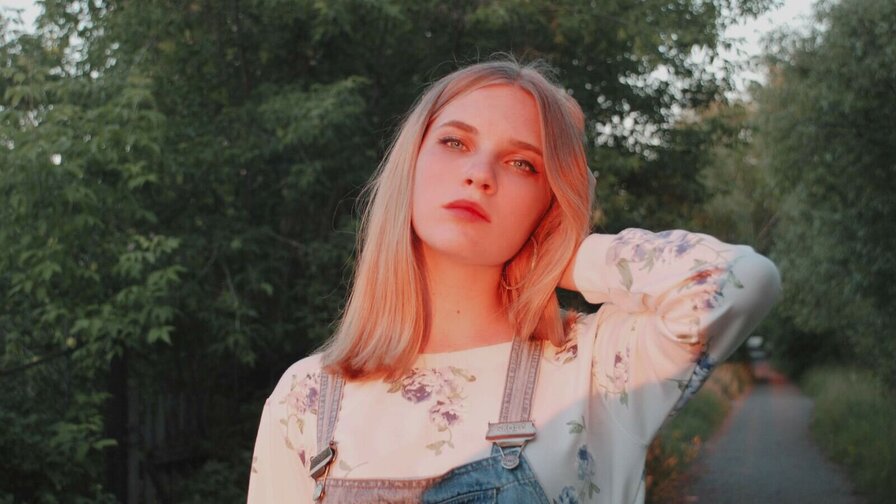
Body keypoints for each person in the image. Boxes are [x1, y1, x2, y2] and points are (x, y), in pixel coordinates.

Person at [247, 57, 782, 504]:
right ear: (410, 164)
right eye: (455, 142)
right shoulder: (309, 397)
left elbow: (742, 280)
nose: (480, 174)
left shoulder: (597, 369)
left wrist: (561, 254)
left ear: (548, 201)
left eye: (522, 163)